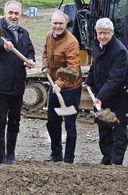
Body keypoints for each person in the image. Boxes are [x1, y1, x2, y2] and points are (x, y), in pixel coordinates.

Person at [0, 0, 36, 164]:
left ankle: (11, 154)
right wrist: (3, 44)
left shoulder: (24, 33)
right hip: (1, 85)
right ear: (4, 14)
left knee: (15, 121)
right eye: (10, 13)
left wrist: (29, 60)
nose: (13, 16)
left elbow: (30, 51)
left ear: (20, 15)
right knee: (1, 121)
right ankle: (1, 157)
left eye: (16, 13)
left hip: (17, 85)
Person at [83, 18, 128, 166]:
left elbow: (115, 78)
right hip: (102, 94)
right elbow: (95, 65)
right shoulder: (98, 46)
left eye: (105, 33)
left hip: (119, 97)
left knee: (118, 130)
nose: (102, 36)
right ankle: (106, 159)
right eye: (99, 33)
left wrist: (100, 97)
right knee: (103, 129)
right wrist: (89, 81)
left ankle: (116, 163)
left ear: (112, 32)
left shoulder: (120, 51)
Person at [42, 10, 82, 164]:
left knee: (70, 125)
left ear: (66, 24)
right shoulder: (48, 35)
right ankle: (56, 154)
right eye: (55, 23)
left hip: (70, 88)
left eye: (61, 23)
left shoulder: (71, 42)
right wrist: (45, 66)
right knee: (52, 122)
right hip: (55, 85)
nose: (57, 26)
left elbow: (72, 69)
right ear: (51, 23)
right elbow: (45, 52)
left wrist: (60, 83)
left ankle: (69, 158)